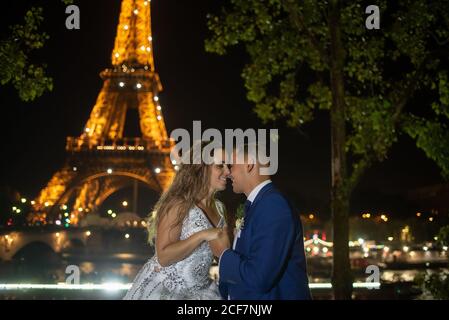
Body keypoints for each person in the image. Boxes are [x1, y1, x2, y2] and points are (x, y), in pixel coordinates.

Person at [123, 142, 230, 300]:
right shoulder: (178, 204)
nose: (228, 171)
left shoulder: (220, 209)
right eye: (220, 166)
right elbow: (164, 257)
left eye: (228, 165)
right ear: (200, 168)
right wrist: (202, 235)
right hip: (166, 291)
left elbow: (219, 254)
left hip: (203, 292)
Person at [210, 144, 312, 300]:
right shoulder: (260, 204)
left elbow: (260, 277)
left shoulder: (273, 205)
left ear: (249, 164)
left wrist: (223, 254)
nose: (228, 173)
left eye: (232, 166)